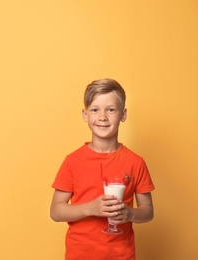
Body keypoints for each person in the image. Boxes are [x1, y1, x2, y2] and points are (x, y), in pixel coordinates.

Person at [50, 78, 155, 260]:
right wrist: (90, 208)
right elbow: (56, 211)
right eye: (95, 110)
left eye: (111, 110)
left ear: (123, 114)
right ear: (85, 115)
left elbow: (147, 211)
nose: (103, 117)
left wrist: (130, 213)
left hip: (122, 255)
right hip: (80, 255)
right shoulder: (72, 161)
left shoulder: (135, 162)